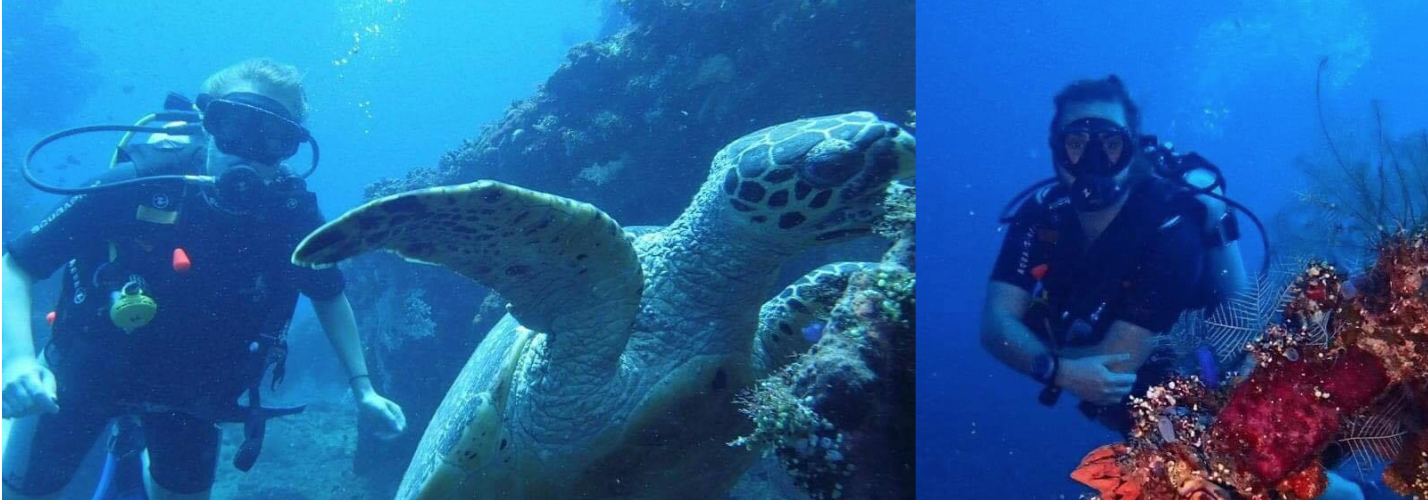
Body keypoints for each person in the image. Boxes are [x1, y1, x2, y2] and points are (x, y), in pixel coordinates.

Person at [1, 58, 407, 500]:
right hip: (82, 375)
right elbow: (17, 265)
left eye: (272, 137)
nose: (247, 150)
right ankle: (123, 449)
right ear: (207, 120)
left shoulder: (290, 215)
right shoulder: (138, 183)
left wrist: (363, 388)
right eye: (234, 124)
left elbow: (329, 296)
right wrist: (19, 361)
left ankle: (128, 451)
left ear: (290, 146)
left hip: (193, 397)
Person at [980, 75, 1372, 500]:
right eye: (1076, 142)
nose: (1092, 159)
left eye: (1109, 144)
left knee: (1267, 480)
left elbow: (1116, 364)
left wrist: (1043, 360)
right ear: (1056, 150)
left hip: (1206, 391)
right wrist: (1060, 370)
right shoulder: (1041, 217)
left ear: (1131, 149)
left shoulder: (1169, 228)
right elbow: (994, 324)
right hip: (1138, 410)